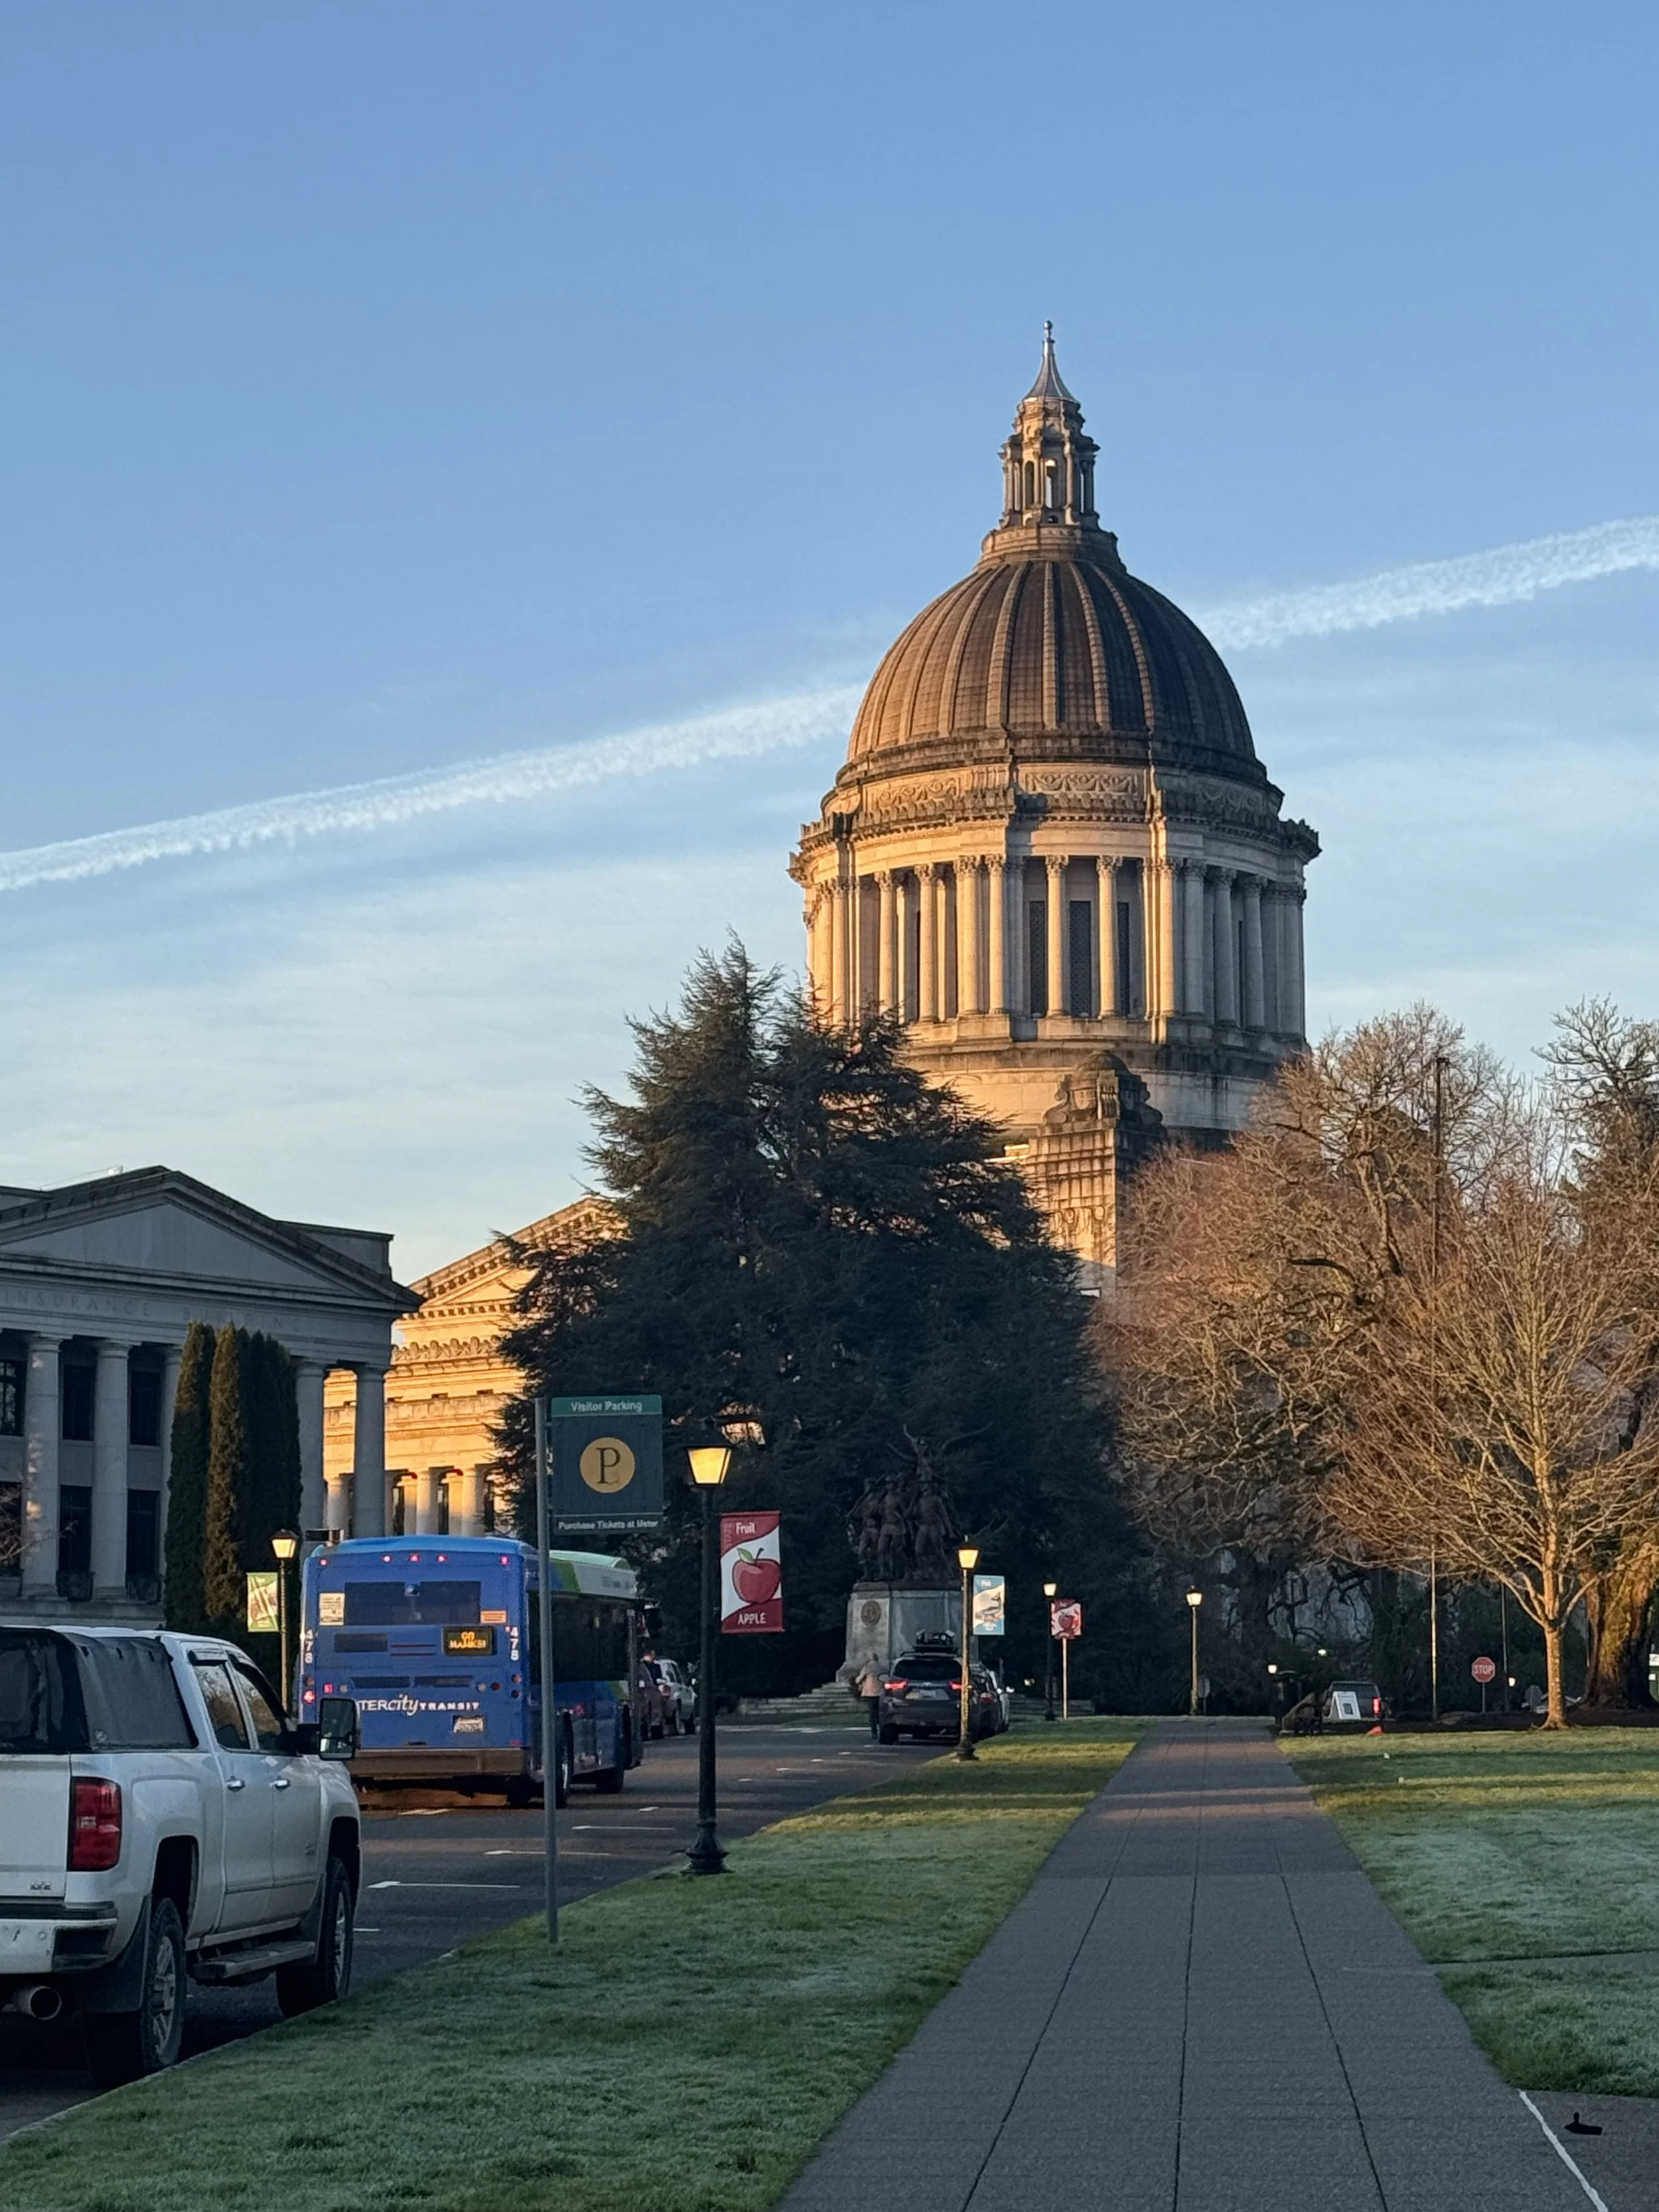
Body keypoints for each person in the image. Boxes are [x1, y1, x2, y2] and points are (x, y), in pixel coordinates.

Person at [854, 1655, 885, 1738]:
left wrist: (859, 1681)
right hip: (881, 1692)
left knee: (872, 1713)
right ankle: (882, 1730)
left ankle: (874, 1732)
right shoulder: (882, 1667)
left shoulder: (868, 1667)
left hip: (871, 1692)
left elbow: (858, 1680)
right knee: (880, 1712)